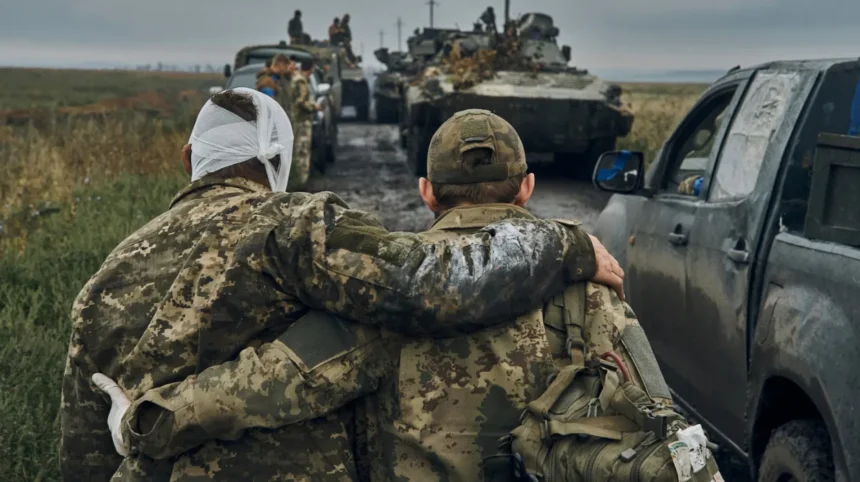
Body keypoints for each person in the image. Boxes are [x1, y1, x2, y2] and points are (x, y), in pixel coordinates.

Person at [60, 92, 624, 481]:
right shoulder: (597, 288)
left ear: (427, 192)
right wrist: (565, 244)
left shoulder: (99, 286)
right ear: (527, 186)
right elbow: (419, 283)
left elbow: (276, 381)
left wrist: (150, 421)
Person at [287, 58, 320, 190]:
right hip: (301, 120)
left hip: (297, 119)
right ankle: (301, 182)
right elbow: (300, 102)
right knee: (302, 151)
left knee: (298, 150)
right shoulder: (300, 80)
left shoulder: (296, 78)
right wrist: (314, 106)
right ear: (311, 67)